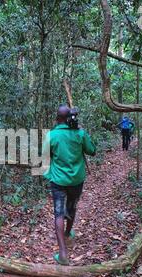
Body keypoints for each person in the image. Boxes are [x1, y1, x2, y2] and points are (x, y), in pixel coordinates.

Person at [43, 104, 96, 265]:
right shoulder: (79, 133)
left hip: (58, 180)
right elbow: (92, 150)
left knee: (59, 213)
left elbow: (45, 156)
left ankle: (63, 253)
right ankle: (68, 233)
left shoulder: (51, 135)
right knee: (72, 206)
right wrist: (82, 133)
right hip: (76, 180)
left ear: (58, 119)